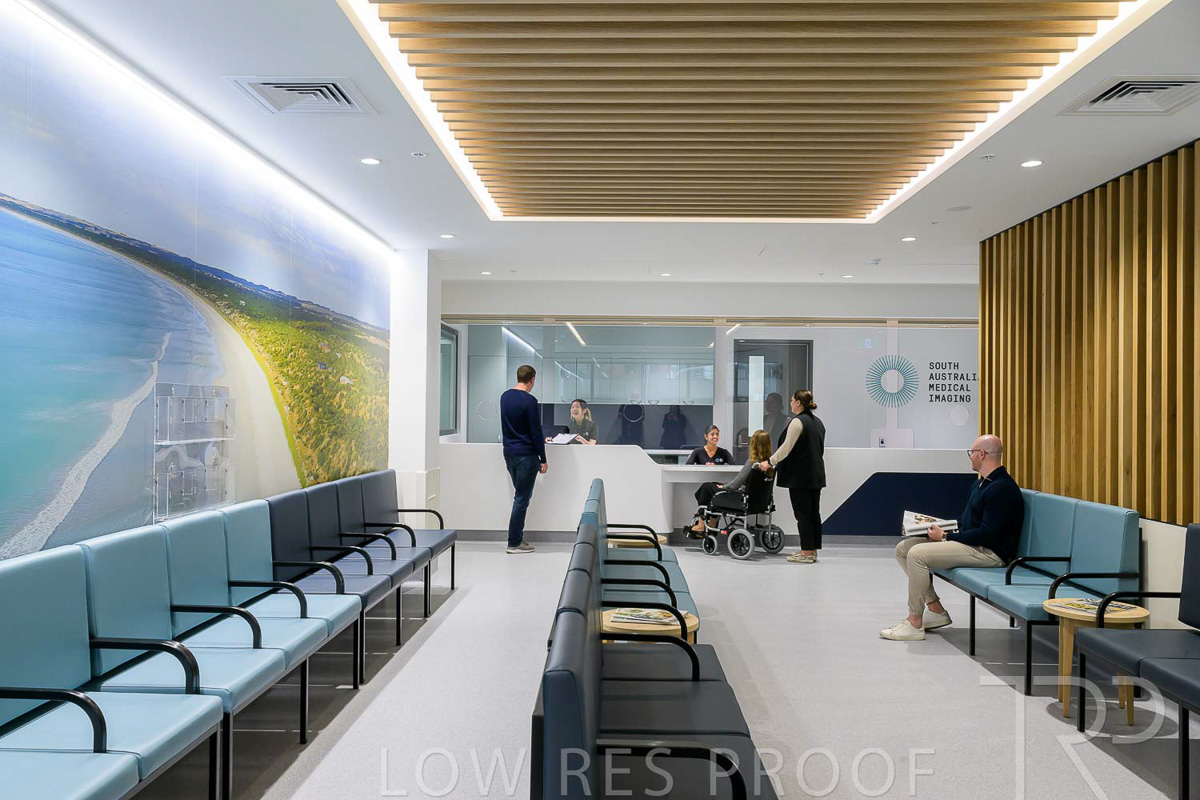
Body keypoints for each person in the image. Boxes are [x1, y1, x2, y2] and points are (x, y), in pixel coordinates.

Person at [880, 435, 1024, 641]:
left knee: (917, 554)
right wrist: (937, 526)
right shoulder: (981, 484)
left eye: (972, 453)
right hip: (975, 545)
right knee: (904, 548)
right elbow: (966, 520)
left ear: (982, 454)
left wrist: (946, 536)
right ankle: (936, 610)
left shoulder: (1002, 488)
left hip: (990, 553)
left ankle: (914, 622)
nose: (970, 457)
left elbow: (988, 535)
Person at [759, 390, 825, 564]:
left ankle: (806, 552)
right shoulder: (818, 422)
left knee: (802, 514)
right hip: (816, 475)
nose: (790, 403)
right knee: (813, 513)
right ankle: (811, 550)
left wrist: (770, 462)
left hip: (800, 477)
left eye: (792, 400)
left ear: (798, 403)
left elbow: (786, 447)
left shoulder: (797, 422)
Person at [500, 365, 546, 554]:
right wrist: (543, 458)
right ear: (532, 379)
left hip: (509, 453)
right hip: (526, 455)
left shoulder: (505, 397)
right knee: (521, 498)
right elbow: (536, 432)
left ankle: (517, 537)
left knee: (520, 496)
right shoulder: (530, 400)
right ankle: (513, 542)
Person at [688, 425, 737, 532]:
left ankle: (706, 523)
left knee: (707, 492)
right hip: (704, 482)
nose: (715, 437)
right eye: (712, 434)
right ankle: (709, 522)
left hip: (718, 485)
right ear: (706, 436)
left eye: (717, 434)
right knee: (704, 491)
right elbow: (688, 466)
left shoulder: (724, 452)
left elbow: (734, 466)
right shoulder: (698, 452)